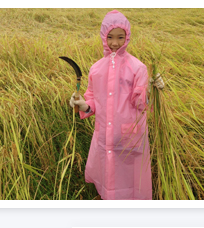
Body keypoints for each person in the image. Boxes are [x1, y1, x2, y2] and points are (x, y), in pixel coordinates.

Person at [69, 10, 164, 200]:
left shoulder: (137, 67)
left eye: (120, 37)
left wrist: (153, 90)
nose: (115, 43)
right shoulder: (96, 69)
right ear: (103, 36)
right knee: (108, 184)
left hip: (129, 139)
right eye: (110, 37)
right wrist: (82, 104)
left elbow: (141, 103)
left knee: (131, 186)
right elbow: (93, 101)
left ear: (127, 37)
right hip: (105, 137)